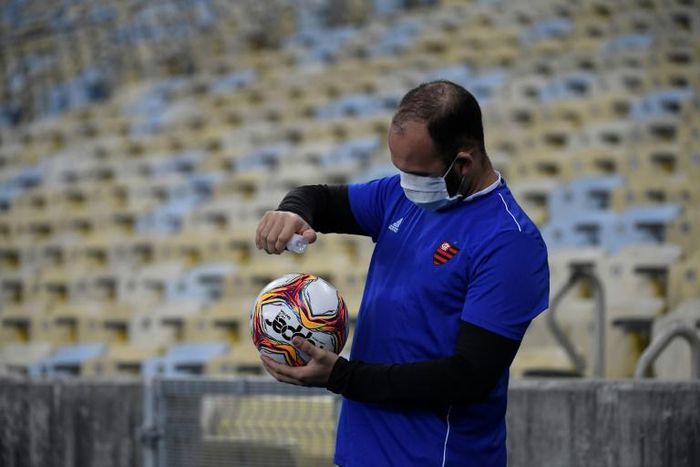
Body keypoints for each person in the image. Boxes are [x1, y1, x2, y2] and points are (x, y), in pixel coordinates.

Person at [255, 80, 550, 467]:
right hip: (358, 455)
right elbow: (321, 198)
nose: (405, 183)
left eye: (416, 173)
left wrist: (342, 377)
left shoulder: (509, 241)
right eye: (399, 170)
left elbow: (468, 377)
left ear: (463, 163)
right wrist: (293, 210)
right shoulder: (399, 196)